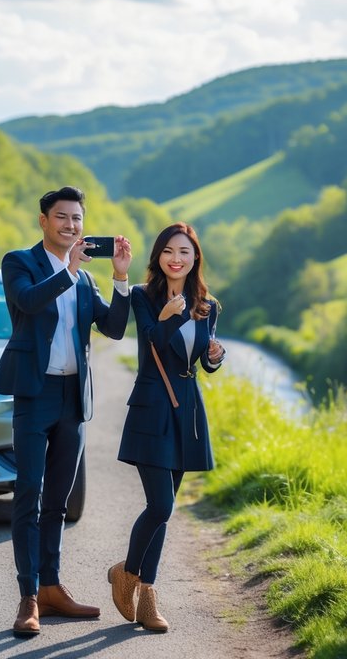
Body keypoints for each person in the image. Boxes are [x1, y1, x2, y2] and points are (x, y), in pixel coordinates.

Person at [0, 186, 133, 638]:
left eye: (77, 219)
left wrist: (121, 279)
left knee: (58, 501)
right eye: (62, 218)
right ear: (43, 221)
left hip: (73, 399)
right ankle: (28, 597)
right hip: (35, 395)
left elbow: (112, 328)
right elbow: (27, 303)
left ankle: (52, 588)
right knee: (29, 495)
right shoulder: (20, 263)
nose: (71, 226)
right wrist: (68, 272)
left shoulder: (87, 281)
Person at [109, 222, 225, 632]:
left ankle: (147, 596)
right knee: (161, 505)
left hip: (186, 410)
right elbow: (152, 343)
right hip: (152, 408)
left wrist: (215, 354)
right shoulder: (143, 296)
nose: (176, 258)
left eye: (185, 252)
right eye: (168, 251)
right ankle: (127, 575)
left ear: (195, 259)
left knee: (165, 512)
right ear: (158, 257)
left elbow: (201, 364)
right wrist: (171, 316)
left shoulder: (208, 305)